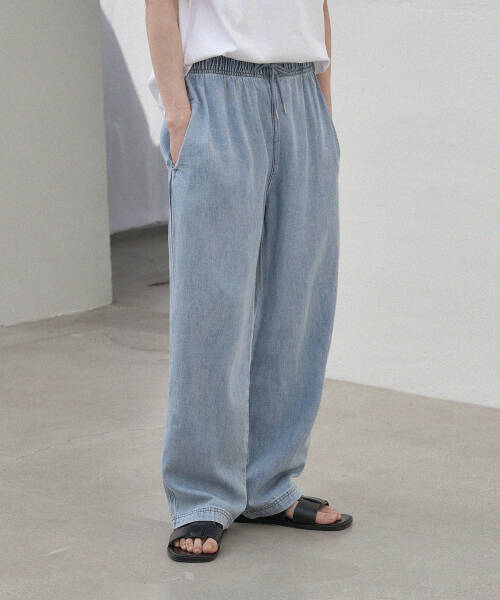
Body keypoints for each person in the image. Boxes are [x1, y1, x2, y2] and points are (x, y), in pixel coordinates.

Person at [145, 0, 352, 562]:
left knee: (299, 299)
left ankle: (269, 482)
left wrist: (323, 107)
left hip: (303, 90)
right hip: (218, 91)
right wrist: (178, 114)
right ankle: (202, 495)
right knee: (211, 305)